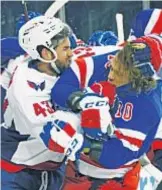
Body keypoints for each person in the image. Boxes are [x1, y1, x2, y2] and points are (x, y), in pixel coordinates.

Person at [62, 35, 162, 190]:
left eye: (117, 71)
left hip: (112, 181)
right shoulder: (118, 88)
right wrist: (78, 100)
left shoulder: (145, 105)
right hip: (80, 174)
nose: (110, 76)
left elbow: (117, 155)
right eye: (111, 68)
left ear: (135, 73)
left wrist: (80, 143)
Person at [1, 15, 84, 190]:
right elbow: (55, 135)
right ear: (46, 53)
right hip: (17, 171)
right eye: (66, 49)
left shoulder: (61, 67)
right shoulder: (25, 88)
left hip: (52, 170)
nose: (71, 53)